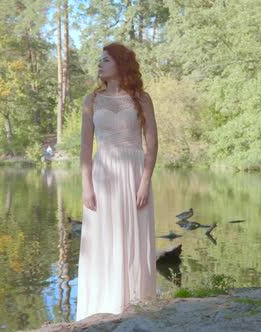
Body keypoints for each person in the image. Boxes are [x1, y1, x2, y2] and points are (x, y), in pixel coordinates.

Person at [76, 42, 159, 321]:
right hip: (103, 175)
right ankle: (103, 306)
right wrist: (86, 186)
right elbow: (85, 149)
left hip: (134, 172)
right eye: (99, 60)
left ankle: (136, 303)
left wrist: (145, 182)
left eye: (106, 60)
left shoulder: (141, 98)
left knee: (133, 234)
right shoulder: (92, 100)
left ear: (121, 64)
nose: (100, 64)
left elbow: (153, 144)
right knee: (104, 238)